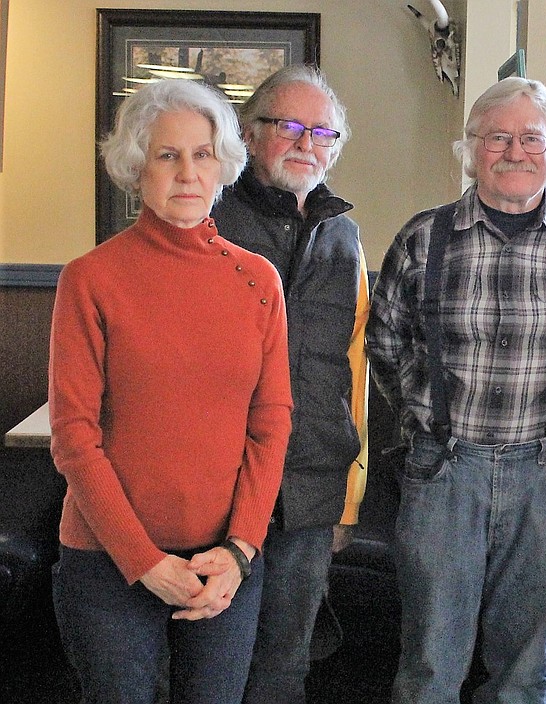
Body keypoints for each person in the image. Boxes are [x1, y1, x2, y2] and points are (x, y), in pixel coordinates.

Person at [366, 77, 546, 703]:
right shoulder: (423, 238)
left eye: (532, 138)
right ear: (472, 148)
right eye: (497, 138)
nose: (515, 152)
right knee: (430, 663)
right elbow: (385, 343)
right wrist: (429, 421)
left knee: (527, 667)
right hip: (443, 473)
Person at [48, 79, 292, 703]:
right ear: (137, 166)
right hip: (109, 560)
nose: (188, 172)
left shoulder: (257, 279)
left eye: (202, 154)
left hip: (224, 563)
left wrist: (240, 550)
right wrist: (144, 562)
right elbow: (75, 438)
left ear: (223, 165)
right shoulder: (91, 279)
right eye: (167, 155)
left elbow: (271, 423)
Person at [209, 64, 369, 704]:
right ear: (249, 134)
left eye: (323, 132)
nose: (308, 143)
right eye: (290, 126)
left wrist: (349, 490)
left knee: (284, 666)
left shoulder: (344, 234)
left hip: (309, 482)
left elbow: (352, 368)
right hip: (219, 481)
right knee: (211, 661)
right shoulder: (210, 220)